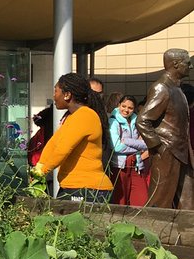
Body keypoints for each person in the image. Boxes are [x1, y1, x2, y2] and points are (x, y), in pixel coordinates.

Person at [31, 73, 113, 202]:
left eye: (55, 91)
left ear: (67, 94)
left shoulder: (85, 116)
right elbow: (54, 143)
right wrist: (40, 165)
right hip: (74, 187)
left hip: (86, 188)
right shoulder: (72, 117)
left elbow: (63, 148)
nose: (54, 96)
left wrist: (43, 170)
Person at [136, 49, 194, 209]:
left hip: (182, 153)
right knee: (159, 202)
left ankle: (186, 234)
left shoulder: (177, 88)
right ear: (175, 64)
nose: (190, 66)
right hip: (168, 152)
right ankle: (151, 234)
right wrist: (159, 147)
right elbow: (142, 120)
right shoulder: (162, 88)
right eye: (187, 63)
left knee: (188, 204)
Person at [109, 96, 150, 207]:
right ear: (119, 105)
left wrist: (127, 141)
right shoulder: (113, 121)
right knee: (120, 201)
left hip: (136, 164)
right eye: (123, 106)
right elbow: (116, 147)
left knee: (142, 200)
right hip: (119, 166)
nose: (126, 110)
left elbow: (147, 144)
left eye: (130, 108)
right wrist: (138, 145)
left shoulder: (136, 121)